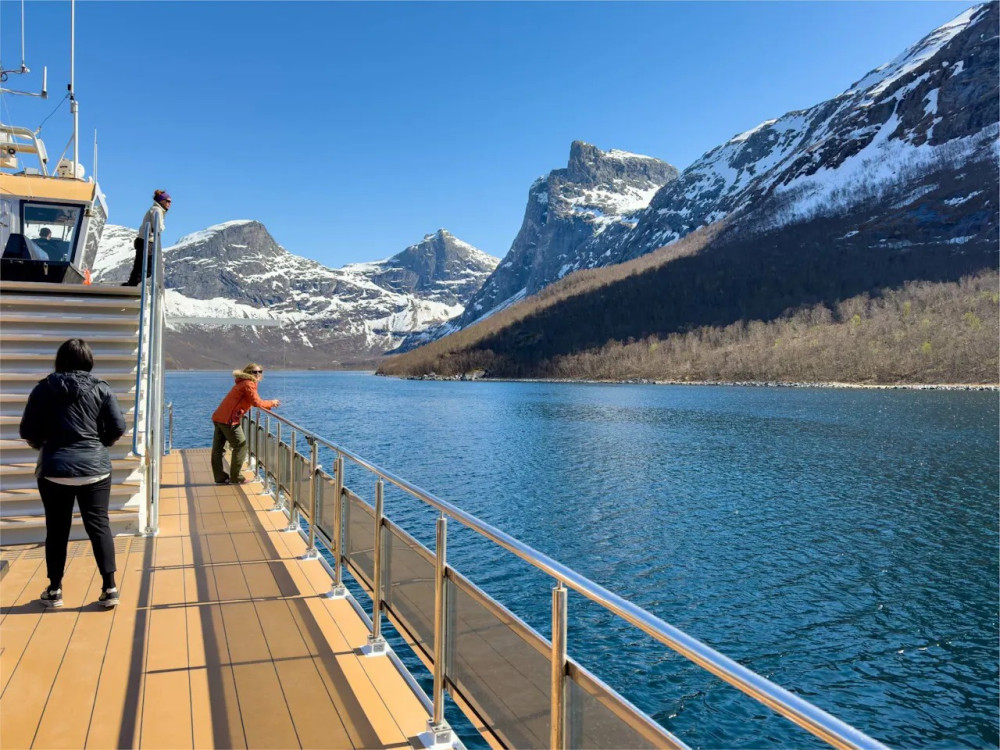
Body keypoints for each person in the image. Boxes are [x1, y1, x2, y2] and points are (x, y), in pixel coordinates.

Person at [19, 338, 127, 608]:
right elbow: (117, 427)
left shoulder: (43, 389)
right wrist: (99, 444)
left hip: (54, 470)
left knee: (57, 530)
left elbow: (27, 431)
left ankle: (55, 590)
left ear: (60, 360)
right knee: (99, 526)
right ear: (88, 360)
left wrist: (45, 446)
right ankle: (110, 588)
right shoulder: (101, 388)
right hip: (95, 470)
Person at [211, 363, 280, 485]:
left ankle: (220, 477)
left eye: (260, 371)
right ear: (248, 373)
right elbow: (257, 402)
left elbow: (251, 401)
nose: (258, 374)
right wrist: (272, 403)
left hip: (219, 417)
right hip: (229, 420)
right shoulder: (248, 384)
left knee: (218, 449)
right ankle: (236, 477)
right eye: (254, 372)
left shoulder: (243, 383)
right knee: (241, 446)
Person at [124, 189, 171, 286]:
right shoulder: (157, 210)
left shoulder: (156, 209)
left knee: (140, 267)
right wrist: (163, 227)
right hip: (147, 241)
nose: (169, 203)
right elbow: (158, 226)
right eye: (168, 201)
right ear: (161, 201)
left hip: (144, 240)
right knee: (147, 268)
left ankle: (131, 284)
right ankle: (132, 285)